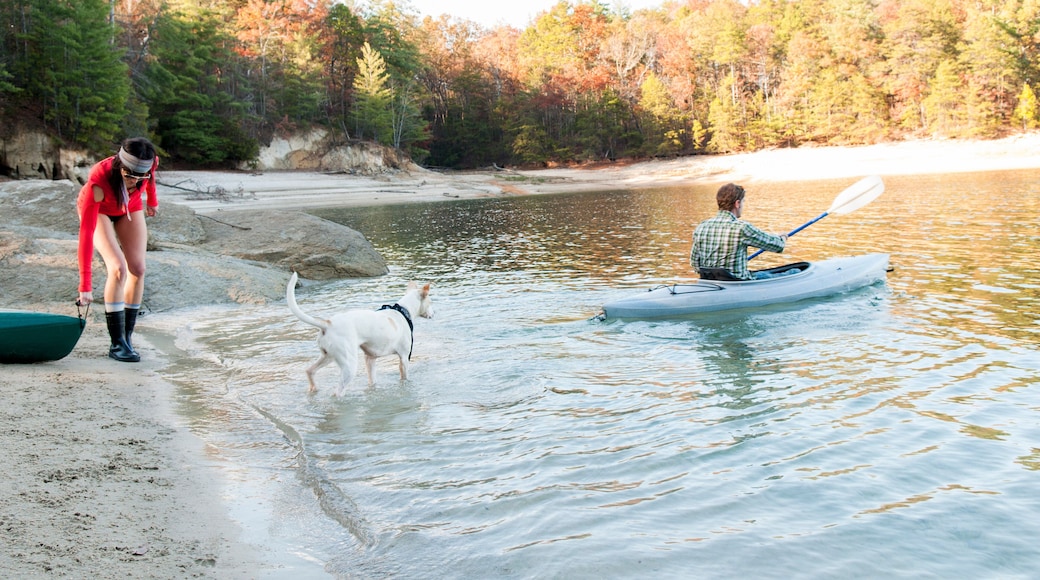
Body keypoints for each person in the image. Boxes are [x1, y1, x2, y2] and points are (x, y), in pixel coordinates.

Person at [76, 137, 158, 362]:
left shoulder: (148, 165)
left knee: (138, 268)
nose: (135, 181)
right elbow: (85, 233)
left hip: (129, 207)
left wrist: (152, 201)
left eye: (142, 175)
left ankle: (127, 336)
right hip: (100, 208)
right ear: (121, 166)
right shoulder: (99, 179)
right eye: (130, 175)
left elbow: (150, 182)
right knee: (119, 268)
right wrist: (85, 286)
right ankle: (117, 343)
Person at [691, 183, 787, 280]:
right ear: (737, 204)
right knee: (795, 271)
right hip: (738, 283)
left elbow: (695, 264)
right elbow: (778, 246)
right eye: (743, 202)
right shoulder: (742, 228)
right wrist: (782, 238)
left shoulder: (701, 227)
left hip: (711, 283)